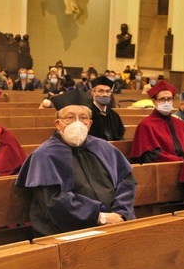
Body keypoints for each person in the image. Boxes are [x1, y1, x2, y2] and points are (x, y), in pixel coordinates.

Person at [15, 89, 136, 237]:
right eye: (70, 118)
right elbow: (53, 202)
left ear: (90, 124)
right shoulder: (45, 155)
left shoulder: (104, 147)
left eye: (83, 118)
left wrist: (121, 213)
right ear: (58, 124)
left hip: (115, 223)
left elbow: (126, 180)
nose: (77, 123)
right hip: (67, 231)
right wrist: (99, 217)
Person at [130, 81, 184, 163]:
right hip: (164, 170)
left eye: (169, 99)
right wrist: (181, 161)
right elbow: (151, 155)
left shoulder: (181, 124)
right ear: (154, 102)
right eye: (162, 99)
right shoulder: (146, 126)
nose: (166, 103)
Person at [88, 76, 125, 141]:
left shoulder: (114, 115)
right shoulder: (87, 114)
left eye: (108, 91)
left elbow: (120, 136)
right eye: (100, 91)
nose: (105, 94)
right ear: (93, 94)